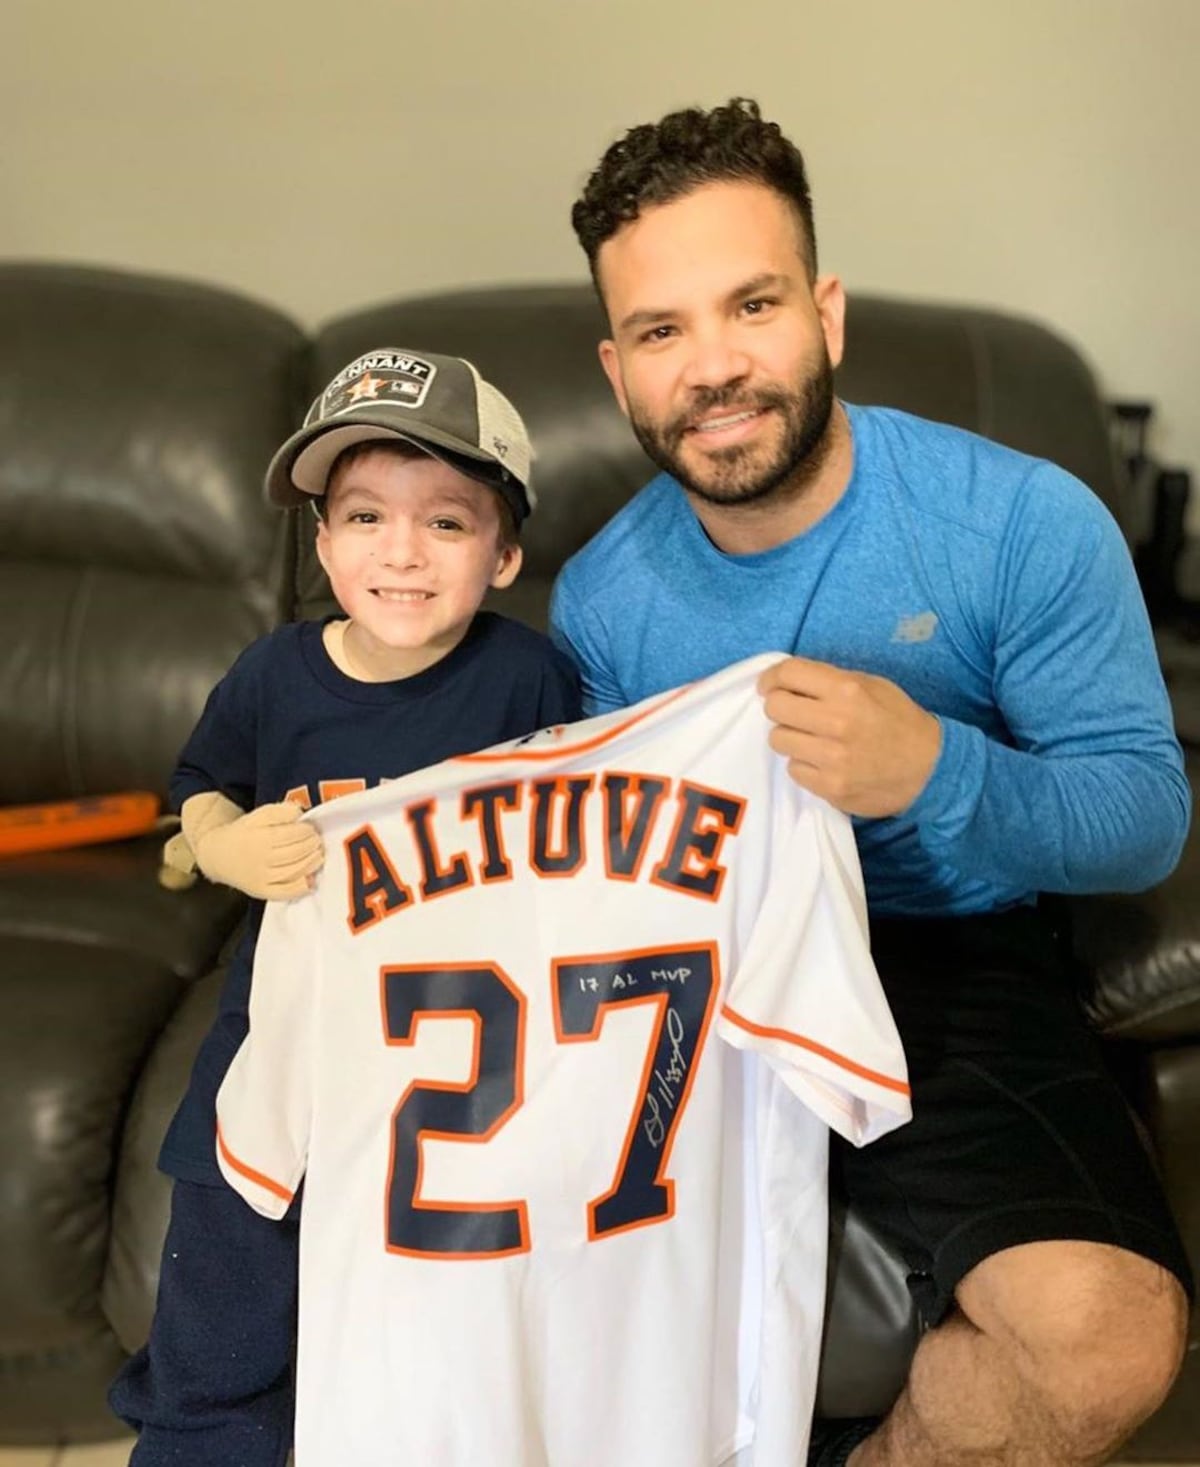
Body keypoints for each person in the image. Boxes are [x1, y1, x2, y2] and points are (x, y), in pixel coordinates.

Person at [550, 98, 1193, 1467]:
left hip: (944, 961)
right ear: (618, 370)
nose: (715, 366)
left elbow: (1145, 814)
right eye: (663, 331)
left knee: (1109, 1335)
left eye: (753, 305)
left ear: (827, 314)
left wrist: (937, 768)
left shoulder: (1020, 521)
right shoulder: (601, 592)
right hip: (696, 972)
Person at [109, 346, 581, 1466]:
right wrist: (221, 842)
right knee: (223, 1295)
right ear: (321, 543)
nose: (402, 552)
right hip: (285, 1037)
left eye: (448, 525)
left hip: (461, 1048)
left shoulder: (531, 684)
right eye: (364, 516)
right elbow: (190, 804)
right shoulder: (274, 676)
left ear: (506, 554)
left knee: (443, 1343)